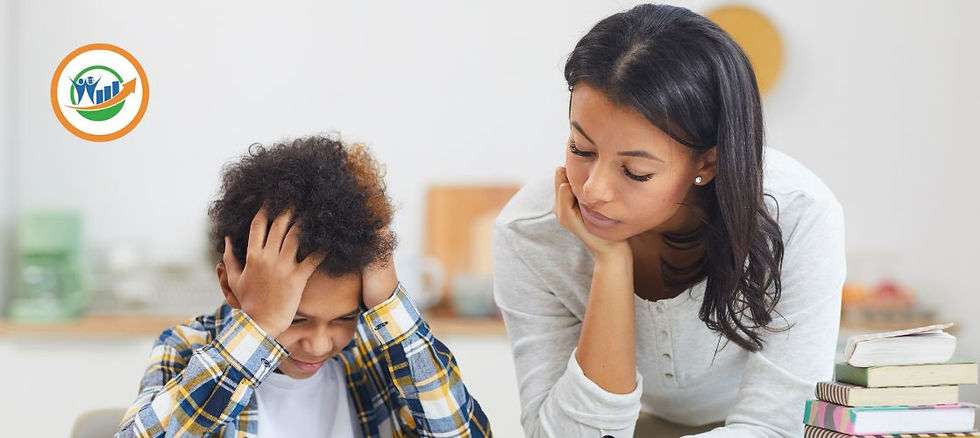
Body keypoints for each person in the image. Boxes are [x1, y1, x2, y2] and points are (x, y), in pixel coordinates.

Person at [492, 4, 845, 437]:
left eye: (635, 172)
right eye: (581, 149)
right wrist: (611, 265)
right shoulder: (531, 234)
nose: (593, 190)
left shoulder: (798, 214)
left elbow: (776, 426)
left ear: (708, 163)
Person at [116, 135, 492, 437]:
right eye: (295, 320)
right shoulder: (186, 348)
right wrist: (259, 327)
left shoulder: (377, 356)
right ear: (230, 287)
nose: (319, 344)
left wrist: (389, 302)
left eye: (344, 318)